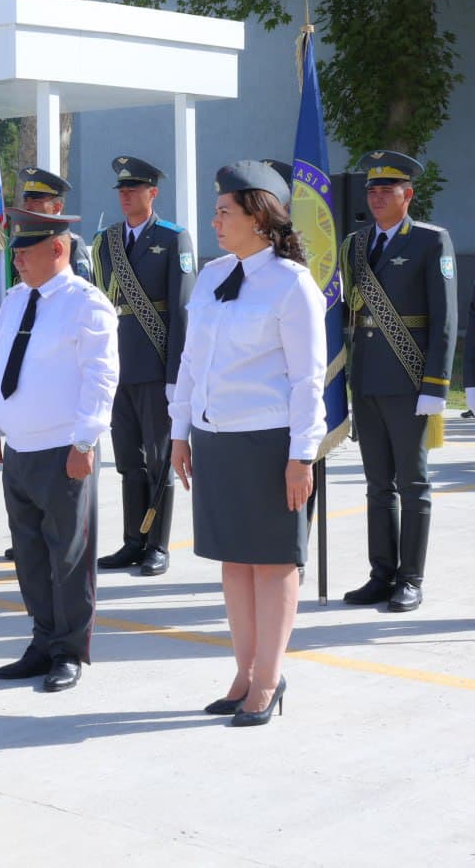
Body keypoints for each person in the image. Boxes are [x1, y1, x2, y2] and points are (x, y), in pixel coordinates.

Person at [170, 161, 327, 726]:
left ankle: (269, 677)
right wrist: (180, 432)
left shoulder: (291, 284)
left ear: (259, 217)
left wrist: (301, 455)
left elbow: (308, 379)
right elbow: (191, 362)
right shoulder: (212, 276)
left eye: (224, 212)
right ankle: (243, 671)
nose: (214, 221)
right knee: (234, 560)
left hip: (268, 441)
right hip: (215, 439)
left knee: (273, 561)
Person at [0, 208, 118, 691]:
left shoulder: (86, 303)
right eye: (15, 250)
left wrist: (86, 440)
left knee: (69, 557)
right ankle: (42, 640)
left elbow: (101, 377)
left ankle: (69, 650)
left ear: (57, 249)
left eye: (25, 251)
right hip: (19, 447)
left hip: (63, 449)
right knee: (31, 555)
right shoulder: (16, 299)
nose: (16, 259)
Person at [341, 151, 456, 613]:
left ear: (408, 195)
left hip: (410, 381)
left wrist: (436, 385)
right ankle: (381, 574)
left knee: (413, 483)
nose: (376, 197)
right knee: (377, 485)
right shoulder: (355, 245)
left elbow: (444, 320)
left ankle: (410, 579)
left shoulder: (430, 240)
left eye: (386, 190)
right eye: (371, 190)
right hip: (366, 379)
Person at [92, 156, 195, 577]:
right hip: (117, 367)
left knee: (158, 460)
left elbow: (182, 311)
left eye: (133, 189)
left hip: (154, 367)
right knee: (128, 461)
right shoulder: (105, 242)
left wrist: (175, 377)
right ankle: (133, 540)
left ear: (153, 193)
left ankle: (157, 544)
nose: (125, 195)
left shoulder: (173, 238)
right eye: (121, 189)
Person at [19, 167, 92, 283]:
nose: (27, 207)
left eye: (36, 201)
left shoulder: (72, 244)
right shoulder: (21, 244)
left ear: (57, 207)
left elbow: (82, 289)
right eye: (25, 200)